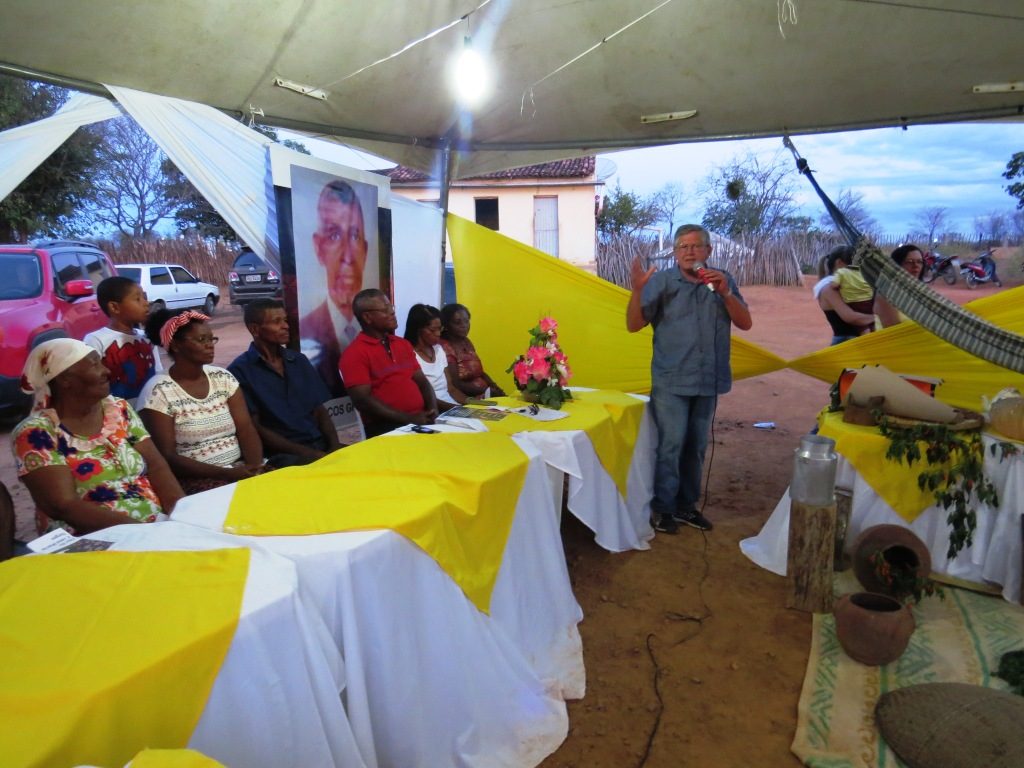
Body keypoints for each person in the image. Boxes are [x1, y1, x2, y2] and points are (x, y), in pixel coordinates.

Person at [627, 224, 752, 535]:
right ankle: (663, 508)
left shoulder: (722, 281)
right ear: (674, 252)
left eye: (695, 246)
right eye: (682, 247)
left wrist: (725, 293)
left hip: (708, 380)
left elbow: (745, 323)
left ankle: (686, 506)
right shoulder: (662, 282)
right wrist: (638, 290)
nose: (689, 252)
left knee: (696, 446)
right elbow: (633, 325)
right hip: (671, 380)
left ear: (709, 251)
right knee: (671, 446)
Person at [11, 339, 183, 535]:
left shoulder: (118, 409)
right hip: (90, 537)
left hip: (154, 528)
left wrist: (181, 515)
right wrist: (142, 533)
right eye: (94, 364)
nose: (106, 371)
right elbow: (64, 505)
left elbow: (156, 466)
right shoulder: (36, 433)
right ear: (65, 379)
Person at [138, 309, 265, 493]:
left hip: (239, 469)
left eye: (211, 339)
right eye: (201, 340)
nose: (210, 345)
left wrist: (255, 468)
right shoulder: (158, 391)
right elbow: (168, 456)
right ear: (176, 345)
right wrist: (227, 474)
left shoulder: (223, 378)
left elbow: (246, 429)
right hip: (197, 479)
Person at [229, 299, 341, 463]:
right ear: (255, 329)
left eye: (285, 320)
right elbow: (256, 427)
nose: (286, 326)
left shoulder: (298, 360)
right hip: (282, 454)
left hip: (319, 445)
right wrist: (310, 454)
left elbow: (319, 410)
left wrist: (335, 446)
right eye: (277, 322)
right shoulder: (240, 371)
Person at [300, 180, 369, 396]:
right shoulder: (304, 332)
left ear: (365, 251)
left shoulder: (379, 329)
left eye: (355, 235)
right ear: (319, 248)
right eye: (334, 235)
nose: (348, 256)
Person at [339, 289, 438, 437]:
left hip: (420, 420)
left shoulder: (402, 344)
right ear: (367, 317)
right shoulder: (354, 354)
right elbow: (363, 401)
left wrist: (433, 410)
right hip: (387, 427)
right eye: (385, 309)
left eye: (391, 307)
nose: (392, 312)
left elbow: (422, 381)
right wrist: (409, 419)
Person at [83, 275, 162, 406]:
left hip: (151, 407)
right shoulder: (96, 340)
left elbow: (157, 373)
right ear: (115, 307)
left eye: (144, 297)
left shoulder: (146, 337)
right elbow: (90, 381)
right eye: (138, 299)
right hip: (117, 412)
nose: (146, 303)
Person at [403, 303, 465, 411]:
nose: (438, 334)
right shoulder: (408, 354)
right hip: (434, 409)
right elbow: (423, 397)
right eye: (432, 330)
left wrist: (474, 403)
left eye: (440, 329)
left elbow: (451, 389)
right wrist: (457, 409)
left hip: (451, 406)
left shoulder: (439, 350)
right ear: (418, 330)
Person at [439, 303, 507, 398]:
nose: (464, 325)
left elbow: (480, 372)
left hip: (485, 393)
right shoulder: (445, 346)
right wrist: (487, 391)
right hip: (466, 398)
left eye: (466, 321)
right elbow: (455, 384)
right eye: (458, 322)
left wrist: (495, 387)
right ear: (446, 325)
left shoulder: (466, 341)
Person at [814, 246, 876, 344]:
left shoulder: (843, 284)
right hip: (847, 343)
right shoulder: (829, 288)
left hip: (853, 342)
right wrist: (877, 318)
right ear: (839, 263)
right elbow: (850, 317)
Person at [874, 243, 926, 328]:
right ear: (897, 265)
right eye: (909, 262)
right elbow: (893, 329)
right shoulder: (887, 292)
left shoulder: (921, 290)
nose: (916, 265)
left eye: (919, 262)